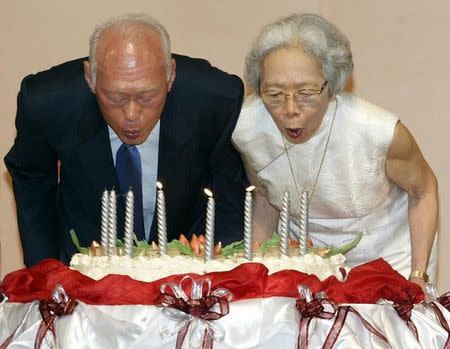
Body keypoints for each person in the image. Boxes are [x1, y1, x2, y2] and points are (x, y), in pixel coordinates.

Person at [5, 13, 247, 267]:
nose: (132, 115)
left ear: (171, 76)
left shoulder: (217, 100)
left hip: (187, 265)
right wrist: (46, 273)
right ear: (90, 78)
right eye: (116, 98)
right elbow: (32, 177)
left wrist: (221, 274)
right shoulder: (47, 103)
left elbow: (229, 196)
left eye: (146, 97)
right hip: (86, 265)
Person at [232, 13, 438, 288]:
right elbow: (265, 198)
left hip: (388, 256)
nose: (290, 109)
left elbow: (423, 192)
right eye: (274, 94)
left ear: (332, 87)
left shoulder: (378, 131)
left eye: (306, 93)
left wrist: (418, 275)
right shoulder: (247, 127)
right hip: (303, 255)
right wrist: (253, 268)